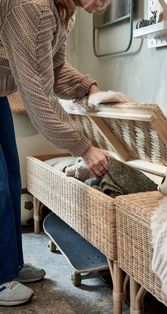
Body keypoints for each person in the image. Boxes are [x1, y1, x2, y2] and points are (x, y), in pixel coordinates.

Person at [0, 0, 111, 306]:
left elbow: (54, 69)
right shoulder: (33, 6)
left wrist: (89, 87)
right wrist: (84, 148)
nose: (104, 3)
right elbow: (36, 94)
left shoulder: (61, 11)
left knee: (10, 179)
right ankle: (0, 279)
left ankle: (10, 266)